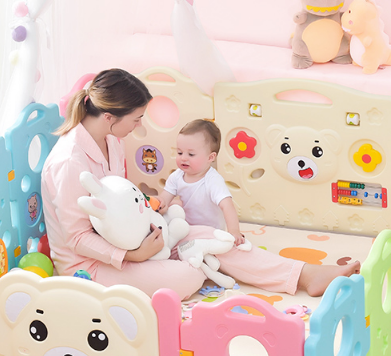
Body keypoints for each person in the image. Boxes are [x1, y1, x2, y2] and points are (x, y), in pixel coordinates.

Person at [41, 68, 360, 300]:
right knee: (190, 273)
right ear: (110, 116)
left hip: (133, 238)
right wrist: (131, 256)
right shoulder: (69, 163)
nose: (139, 126)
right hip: (92, 265)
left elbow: (119, 201)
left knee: (213, 237)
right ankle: (167, 264)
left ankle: (305, 275)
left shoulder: (111, 140)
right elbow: (77, 238)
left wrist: (151, 213)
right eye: (136, 119)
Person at [157, 119, 245, 246]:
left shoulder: (213, 180)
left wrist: (234, 231)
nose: (183, 158)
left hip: (211, 233)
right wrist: (158, 204)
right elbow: (164, 199)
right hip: (186, 229)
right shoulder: (176, 177)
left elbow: (227, 205)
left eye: (191, 154)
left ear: (210, 157)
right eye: (180, 152)